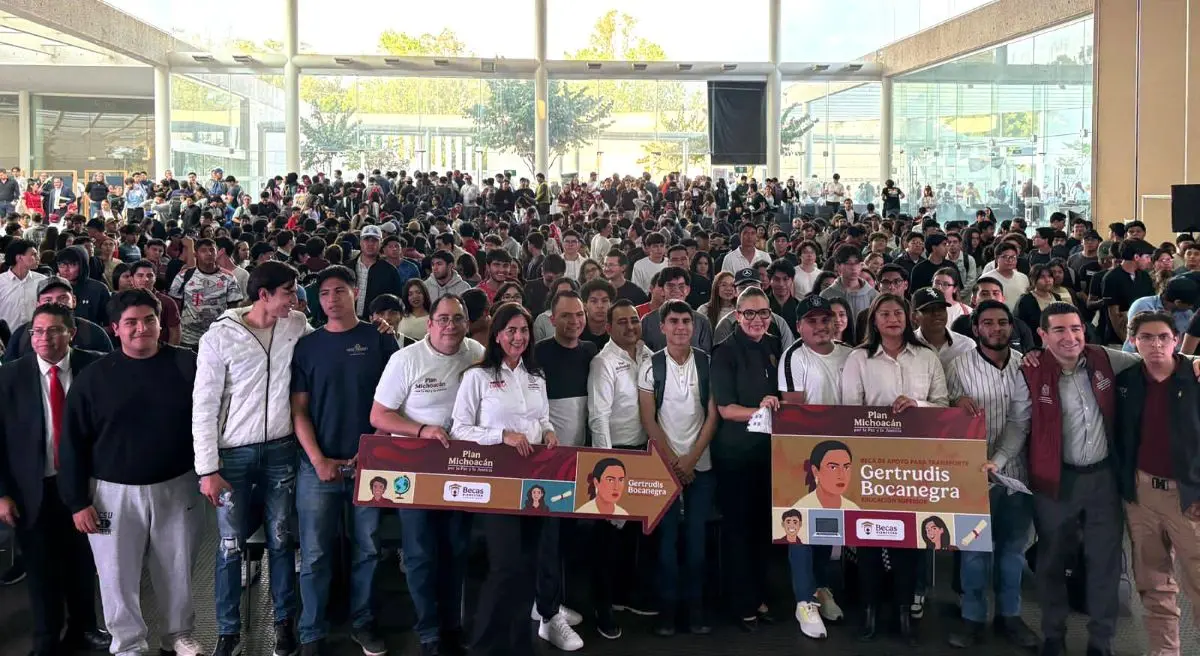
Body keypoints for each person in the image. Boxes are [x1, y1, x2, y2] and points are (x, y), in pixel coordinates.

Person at [57, 290, 206, 656]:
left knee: (177, 566)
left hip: (179, 485)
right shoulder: (94, 378)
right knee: (116, 575)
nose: (142, 328)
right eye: (131, 323)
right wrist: (77, 501)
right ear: (115, 329)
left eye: (149, 320)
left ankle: (178, 634)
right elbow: (72, 443)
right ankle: (128, 644)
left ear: (161, 322)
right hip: (111, 492)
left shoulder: (188, 365)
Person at [990, 303, 1142, 656]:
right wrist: (997, 460)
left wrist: (1190, 360)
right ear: (1042, 335)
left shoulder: (1106, 358)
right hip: (1055, 481)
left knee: (1104, 563)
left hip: (1103, 479)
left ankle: (1101, 641)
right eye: (1058, 330)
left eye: (1075, 328)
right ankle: (1054, 635)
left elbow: (1152, 360)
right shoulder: (1031, 371)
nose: (1069, 337)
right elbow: (1018, 424)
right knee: (1052, 561)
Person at [191, 261, 308, 656]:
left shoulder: (294, 326)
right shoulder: (220, 337)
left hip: (280, 449)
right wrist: (207, 468)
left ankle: (284, 622)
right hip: (232, 456)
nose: (295, 299)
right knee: (229, 544)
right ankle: (228, 631)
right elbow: (203, 405)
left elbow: (325, 344)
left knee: (280, 538)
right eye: (289, 292)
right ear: (264, 295)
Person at [450, 303, 569, 656]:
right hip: (496, 482)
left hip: (536, 481)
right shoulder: (478, 377)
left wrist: (548, 432)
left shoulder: (536, 375)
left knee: (529, 566)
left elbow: (544, 418)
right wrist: (501, 436)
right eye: (511, 330)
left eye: (524, 330)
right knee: (504, 566)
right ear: (498, 335)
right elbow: (459, 429)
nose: (518, 337)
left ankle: (519, 644)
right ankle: (483, 644)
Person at [291, 266, 399, 655]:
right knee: (315, 552)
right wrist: (317, 459)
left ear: (355, 292)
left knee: (367, 548)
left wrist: (376, 446)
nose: (332, 299)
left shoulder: (379, 339)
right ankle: (312, 631)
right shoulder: (307, 345)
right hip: (316, 465)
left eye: (340, 291)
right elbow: (298, 409)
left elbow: (397, 402)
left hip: (370, 464)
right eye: (324, 293)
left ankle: (364, 622)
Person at [371, 293, 484, 656]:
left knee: (456, 549)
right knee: (420, 554)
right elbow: (380, 416)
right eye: (444, 319)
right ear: (430, 324)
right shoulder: (405, 359)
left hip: (462, 470)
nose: (451, 326)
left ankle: (452, 625)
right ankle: (429, 632)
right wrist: (422, 430)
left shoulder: (477, 354)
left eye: (458, 318)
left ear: (467, 322)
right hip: (414, 471)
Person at [0, 303, 111, 656]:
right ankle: (45, 638)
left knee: (83, 561)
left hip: (85, 485)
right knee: (39, 566)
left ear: (71, 334)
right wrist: (2, 493)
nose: (43, 338)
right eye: (37, 331)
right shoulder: (10, 377)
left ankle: (85, 628)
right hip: (33, 487)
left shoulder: (94, 368)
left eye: (53, 330)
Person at [841, 293, 948, 644]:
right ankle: (870, 610)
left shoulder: (927, 357)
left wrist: (916, 404)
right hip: (870, 461)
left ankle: (904, 610)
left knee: (909, 538)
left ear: (909, 317)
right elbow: (848, 410)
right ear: (874, 320)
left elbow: (943, 407)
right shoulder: (859, 358)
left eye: (898, 313)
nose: (892, 319)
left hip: (915, 463)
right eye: (884, 313)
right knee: (868, 537)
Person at [944, 300, 1038, 649]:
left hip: (1015, 473)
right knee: (973, 552)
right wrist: (954, 405)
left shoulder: (1026, 366)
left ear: (1012, 327)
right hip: (971, 476)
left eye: (1002, 322)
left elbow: (1021, 422)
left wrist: (998, 460)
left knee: (1012, 550)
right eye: (987, 323)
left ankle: (1010, 616)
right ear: (976, 329)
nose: (995, 329)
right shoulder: (958, 367)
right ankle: (972, 618)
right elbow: (943, 410)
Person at [1113, 311, 1200, 656]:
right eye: (1146, 337)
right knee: (1153, 582)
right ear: (1134, 341)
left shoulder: (1194, 378)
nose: (1155, 344)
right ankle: (1164, 651)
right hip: (1142, 494)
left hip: (1189, 495)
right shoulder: (1128, 381)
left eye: (1163, 337)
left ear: (1176, 340)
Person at [637, 299, 718, 636]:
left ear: (694, 325)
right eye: (674, 321)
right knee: (667, 544)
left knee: (698, 543)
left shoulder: (708, 363)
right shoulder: (649, 366)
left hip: (702, 464)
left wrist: (690, 459)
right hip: (662, 466)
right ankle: (668, 614)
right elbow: (648, 418)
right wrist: (672, 461)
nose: (681, 326)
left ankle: (695, 612)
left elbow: (713, 416)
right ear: (662, 327)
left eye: (687, 320)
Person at [711, 287, 782, 632]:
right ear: (737, 316)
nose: (757, 320)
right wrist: (762, 409)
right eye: (749, 313)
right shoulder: (724, 352)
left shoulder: (773, 346)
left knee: (762, 531)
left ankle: (759, 596)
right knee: (738, 531)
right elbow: (726, 409)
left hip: (767, 456)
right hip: (736, 455)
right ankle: (741, 603)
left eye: (763, 313)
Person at [587, 298, 655, 636]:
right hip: (615, 455)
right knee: (607, 538)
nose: (630, 326)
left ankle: (623, 596)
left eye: (634, 320)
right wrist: (606, 473)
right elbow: (598, 419)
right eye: (622, 322)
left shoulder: (645, 353)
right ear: (609, 327)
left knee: (631, 534)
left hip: (644, 452)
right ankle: (603, 606)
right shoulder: (603, 362)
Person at [4, 277, 113, 362]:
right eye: (48, 300)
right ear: (38, 304)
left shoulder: (94, 333)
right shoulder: (21, 336)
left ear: (74, 301)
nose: (55, 303)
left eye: (62, 298)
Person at [169, 238, 246, 350]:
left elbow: (233, 308)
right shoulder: (183, 276)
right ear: (196, 254)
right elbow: (175, 305)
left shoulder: (228, 278)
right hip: (188, 339)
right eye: (204, 250)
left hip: (217, 338)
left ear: (217, 253)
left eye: (212, 250)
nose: (209, 253)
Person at [640, 267, 713, 352]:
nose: (676, 290)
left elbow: (708, 356)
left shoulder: (702, 321)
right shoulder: (647, 321)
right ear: (662, 290)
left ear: (688, 290)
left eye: (681, 286)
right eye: (670, 286)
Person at [911, 287, 975, 367]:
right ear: (914, 317)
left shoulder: (966, 346)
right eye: (928, 309)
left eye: (941, 308)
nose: (936, 313)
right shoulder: (907, 345)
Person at [793, 440, 858, 510]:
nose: (842, 475)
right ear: (815, 471)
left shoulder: (854, 509)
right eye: (833, 467)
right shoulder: (800, 509)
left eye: (846, 467)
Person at [0, 239, 46, 333]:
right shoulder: (1, 282)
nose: (38, 257)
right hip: (7, 339)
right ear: (19, 258)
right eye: (34, 254)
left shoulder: (42, 281)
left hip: (36, 338)